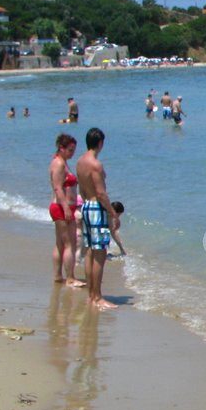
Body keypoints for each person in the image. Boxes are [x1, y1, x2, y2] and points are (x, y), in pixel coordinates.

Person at [76, 127, 120, 310]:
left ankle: (91, 295)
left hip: (86, 206)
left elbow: (81, 189)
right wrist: (112, 213)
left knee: (90, 253)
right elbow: (101, 193)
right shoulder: (95, 164)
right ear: (100, 143)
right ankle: (97, 297)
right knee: (100, 253)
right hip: (96, 208)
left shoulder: (80, 162)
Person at [49, 133, 84, 287]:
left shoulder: (63, 162)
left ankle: (58, 276)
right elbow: (57, 187)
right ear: (61, 148)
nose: (72, 153)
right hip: (61, 207)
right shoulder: (59, 164)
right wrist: (66, 208)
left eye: (74, 150)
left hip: (63, 207)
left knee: (60, 243)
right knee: (70, 243)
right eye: (70, 150)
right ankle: (70, 277)